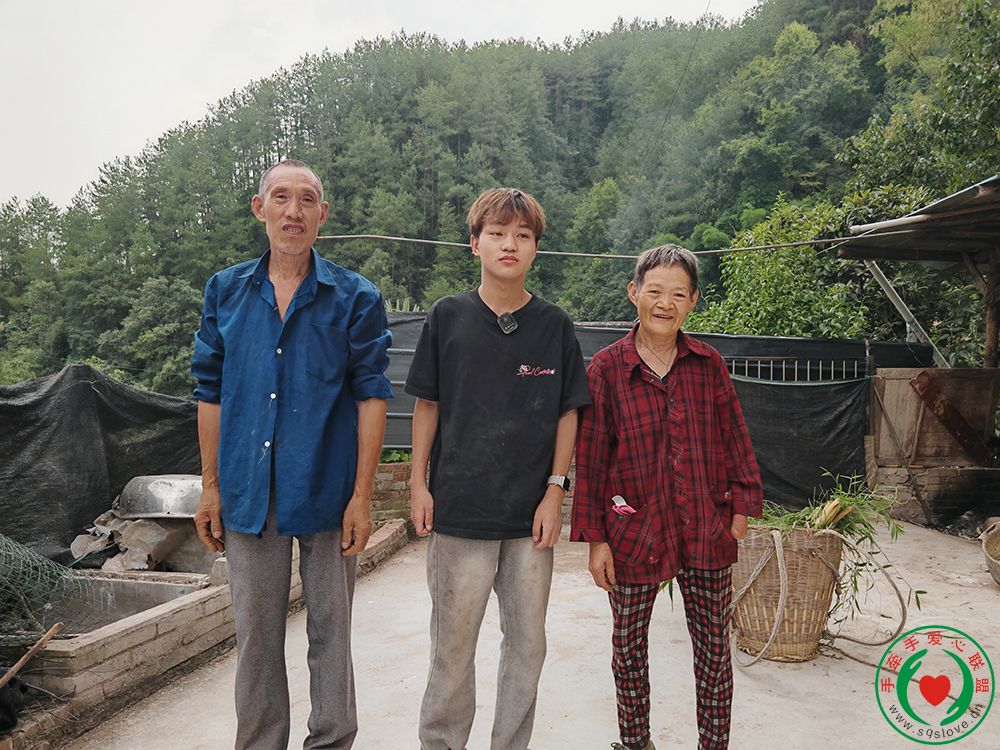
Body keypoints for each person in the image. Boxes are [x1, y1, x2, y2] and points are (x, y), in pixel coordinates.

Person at [191, 159, 392, 750]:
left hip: (328, 487)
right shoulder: (226, 292)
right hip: (248, 490)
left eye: (307, 200)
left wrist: (362, 496)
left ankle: (332, 740)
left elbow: (372, 395)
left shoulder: (355, 297)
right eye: (281, 197)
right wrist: (210, 486)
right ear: (260, 209)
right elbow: (209, 392)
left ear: (322, 215)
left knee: (332, 629)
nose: (293, 211)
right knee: (255, 635)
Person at [405, 187, 592, 750]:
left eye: (522, 235)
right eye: (497, 233)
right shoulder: (448, 316)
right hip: (460, 511)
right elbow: (428, 404)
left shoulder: (554, 325)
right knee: (452, 646)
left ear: (535, 248)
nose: (509, 244)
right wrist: (418, 483)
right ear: (475, 243)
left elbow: (568, 411)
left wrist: (556, 491)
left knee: (528, 645)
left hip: (530, 519)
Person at [572, 244, 763, 750]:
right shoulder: (607, 369)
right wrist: (596, 540)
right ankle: (636, 742)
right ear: (633, 293)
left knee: (714, 649)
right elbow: (591, 458)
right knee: (628, 646)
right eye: (654, 291)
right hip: (633, 529)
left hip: (705, 525)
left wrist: (742, 507)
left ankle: (713, 744)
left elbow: (735, 435)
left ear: (693, 301)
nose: (665, 303)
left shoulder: (708, 364)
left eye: (678, 294)